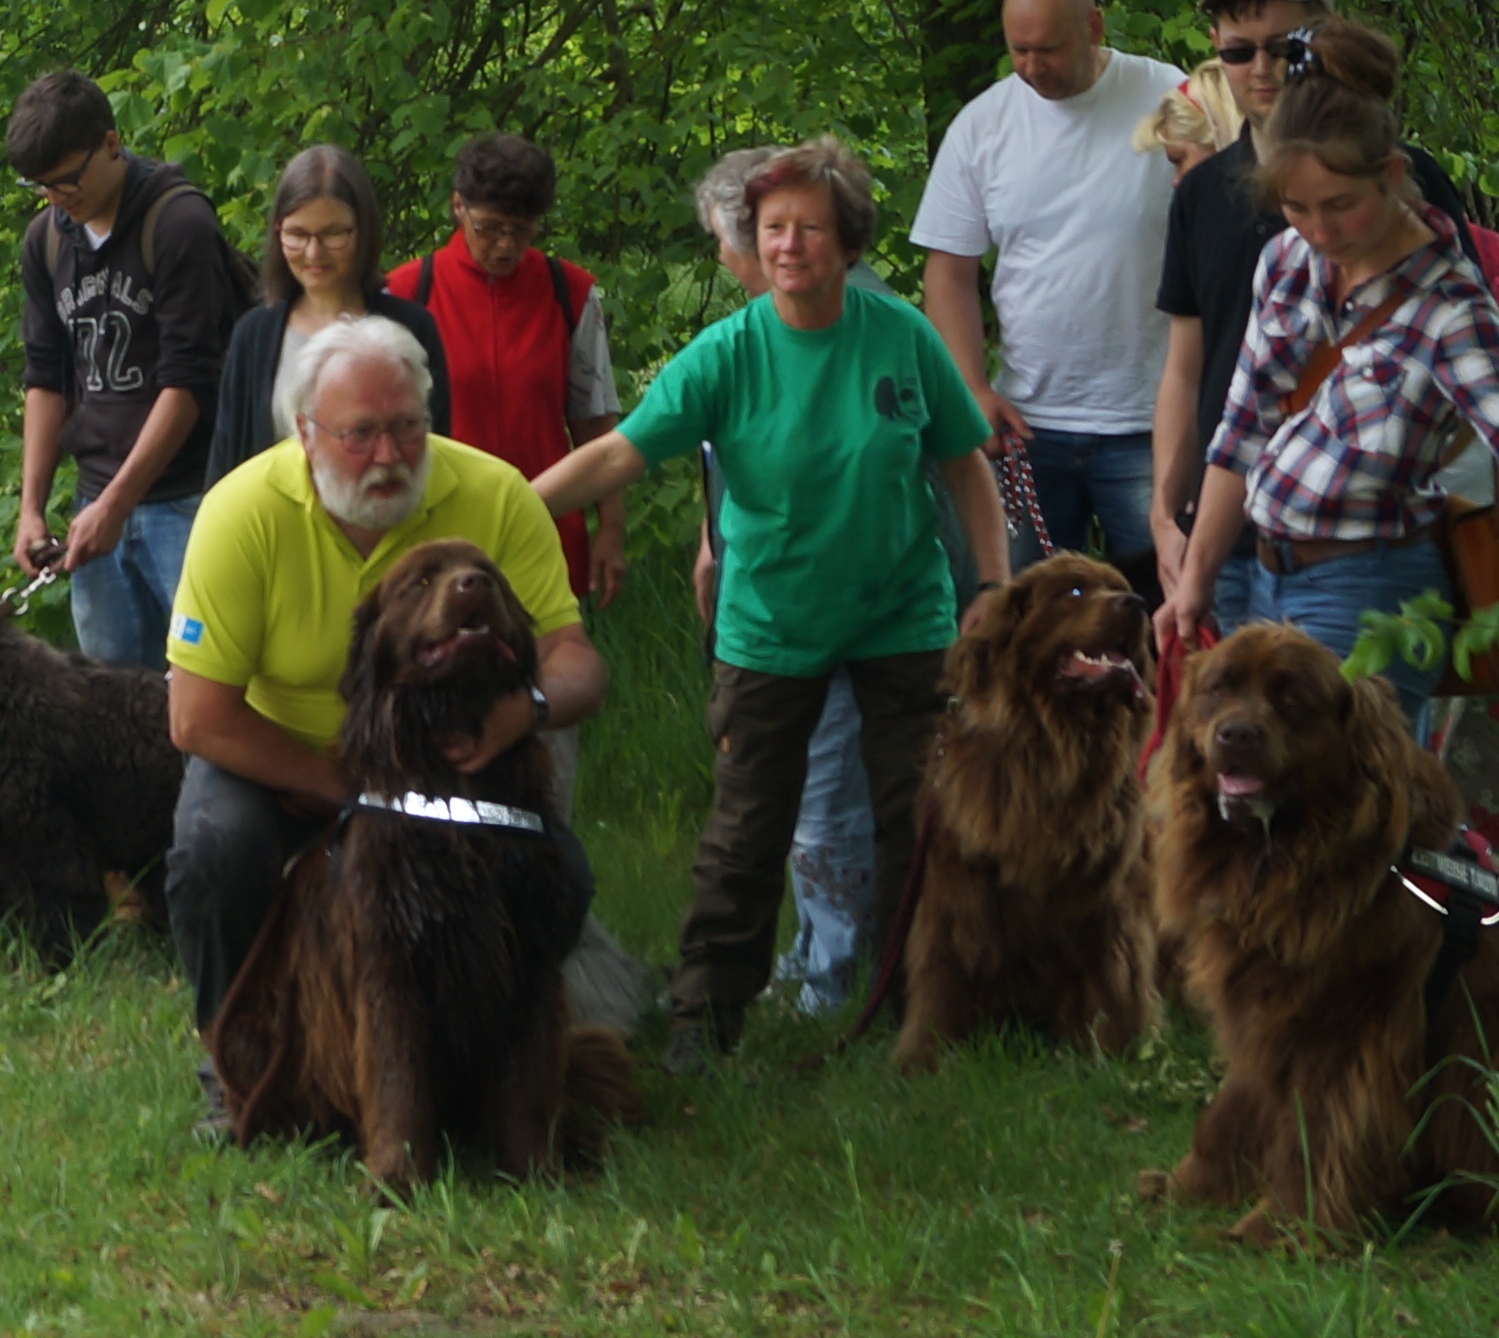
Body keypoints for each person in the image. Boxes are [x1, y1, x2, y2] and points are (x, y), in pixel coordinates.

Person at [533, 139, 1006, 1074]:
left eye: (810, 227)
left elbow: (964, 464)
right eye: (772, 228)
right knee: (748, 827)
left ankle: (921, 1007)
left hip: (902, 618)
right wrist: (501, 504)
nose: (789, 244)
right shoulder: (728, 353)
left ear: (847, 238)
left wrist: (991, 586)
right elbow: (622, 453)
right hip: (771, 627)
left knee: (918, 817)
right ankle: (706, 1021)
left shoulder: (901, 334)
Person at [162, 315, 606, 1092]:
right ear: (305, 431)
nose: (391, 456)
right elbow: (197, 715)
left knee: (562, 875)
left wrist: (525, 710)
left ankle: (489, 1062)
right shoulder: (241, 513)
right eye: (360, 434)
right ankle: (234, 1064)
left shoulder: (495, 494)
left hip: (453, 770)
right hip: (289, 759)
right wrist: (347, 786)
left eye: (408, 428)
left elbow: (577, 662)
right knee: (213, 848)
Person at [1156, 24, 1499, 707]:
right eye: (1296, 208)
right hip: (1254, 572)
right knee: (1251, 797)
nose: (1319, 231)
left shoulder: (1447, 305)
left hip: (1369, 591)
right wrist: (1195, 577)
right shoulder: (1287, 262)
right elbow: (1242, 430)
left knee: (1341, 802)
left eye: (1340, 206)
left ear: (1388, 176)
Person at [1146, 0, 1468, 571]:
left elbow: (1465, 362)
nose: (1261, 68)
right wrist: (1166, 512)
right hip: (1227, 531)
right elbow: (1185, 370)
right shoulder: (1202, 193)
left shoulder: (1404, 181)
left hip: (1365, 540)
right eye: (1238, 51)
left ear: (1324, 39)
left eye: (1285, 47)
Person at [917, 0, 1183, 585]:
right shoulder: (984, 126)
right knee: (1021, 620)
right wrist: (970, 390)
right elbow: (948, 270)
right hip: (1027, 424)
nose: (1033, 67)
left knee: (1162, 607)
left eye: (1049, 50)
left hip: (1150, 419)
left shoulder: (1171, 100)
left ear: (1093, 27)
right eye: (1019, 51)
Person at [6, 71, 246, 668]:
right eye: (43, 188)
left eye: (68, 180)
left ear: (111, 144)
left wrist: (117, 504)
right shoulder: (46, 242)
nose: (60, 198)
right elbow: (44, 379)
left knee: (205, 676)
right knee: (112, 688)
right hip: (96, 497)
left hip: (190, 498)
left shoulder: (178, 222)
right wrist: (31, 507)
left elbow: (188, 380)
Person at [386, 132, 625, 607]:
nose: (505, 245)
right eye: (490, 227)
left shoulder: (570, 293)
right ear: (459, 207)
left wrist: (611, 527)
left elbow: (595, 422)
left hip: (545, 530)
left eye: (521, 230)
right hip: (435, 537)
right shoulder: (407, 293)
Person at [203, 144, 449, 484]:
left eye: (333, 234)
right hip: (274, 530)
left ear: (363, 231)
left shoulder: (412, 328)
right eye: (298, 234)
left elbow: (435, 450)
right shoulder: (254, 334)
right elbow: (225, 462)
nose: (313, 252)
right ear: (278, 232)